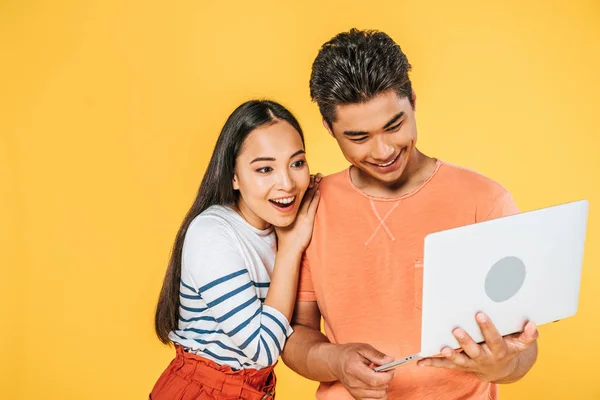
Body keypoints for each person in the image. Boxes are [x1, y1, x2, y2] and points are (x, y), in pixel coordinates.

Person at [281, 29, 539, 399]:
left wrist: (502, 365)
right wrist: (335, 360)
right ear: (329, 129)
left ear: (412, 101)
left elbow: (524, 345)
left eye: (394, 125)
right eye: (359, 137)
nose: (383, 150)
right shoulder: (312, 204)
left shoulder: (486, 200)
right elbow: (295, 334)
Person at [151, 99, 321, 400]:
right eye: (265, 169)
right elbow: (263, 349)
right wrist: (291, 248)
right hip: (202, 390)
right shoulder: (212, 233)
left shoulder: (280, 226)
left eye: (297, 163)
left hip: (254, 390)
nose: (287, 183)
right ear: (233, 176)